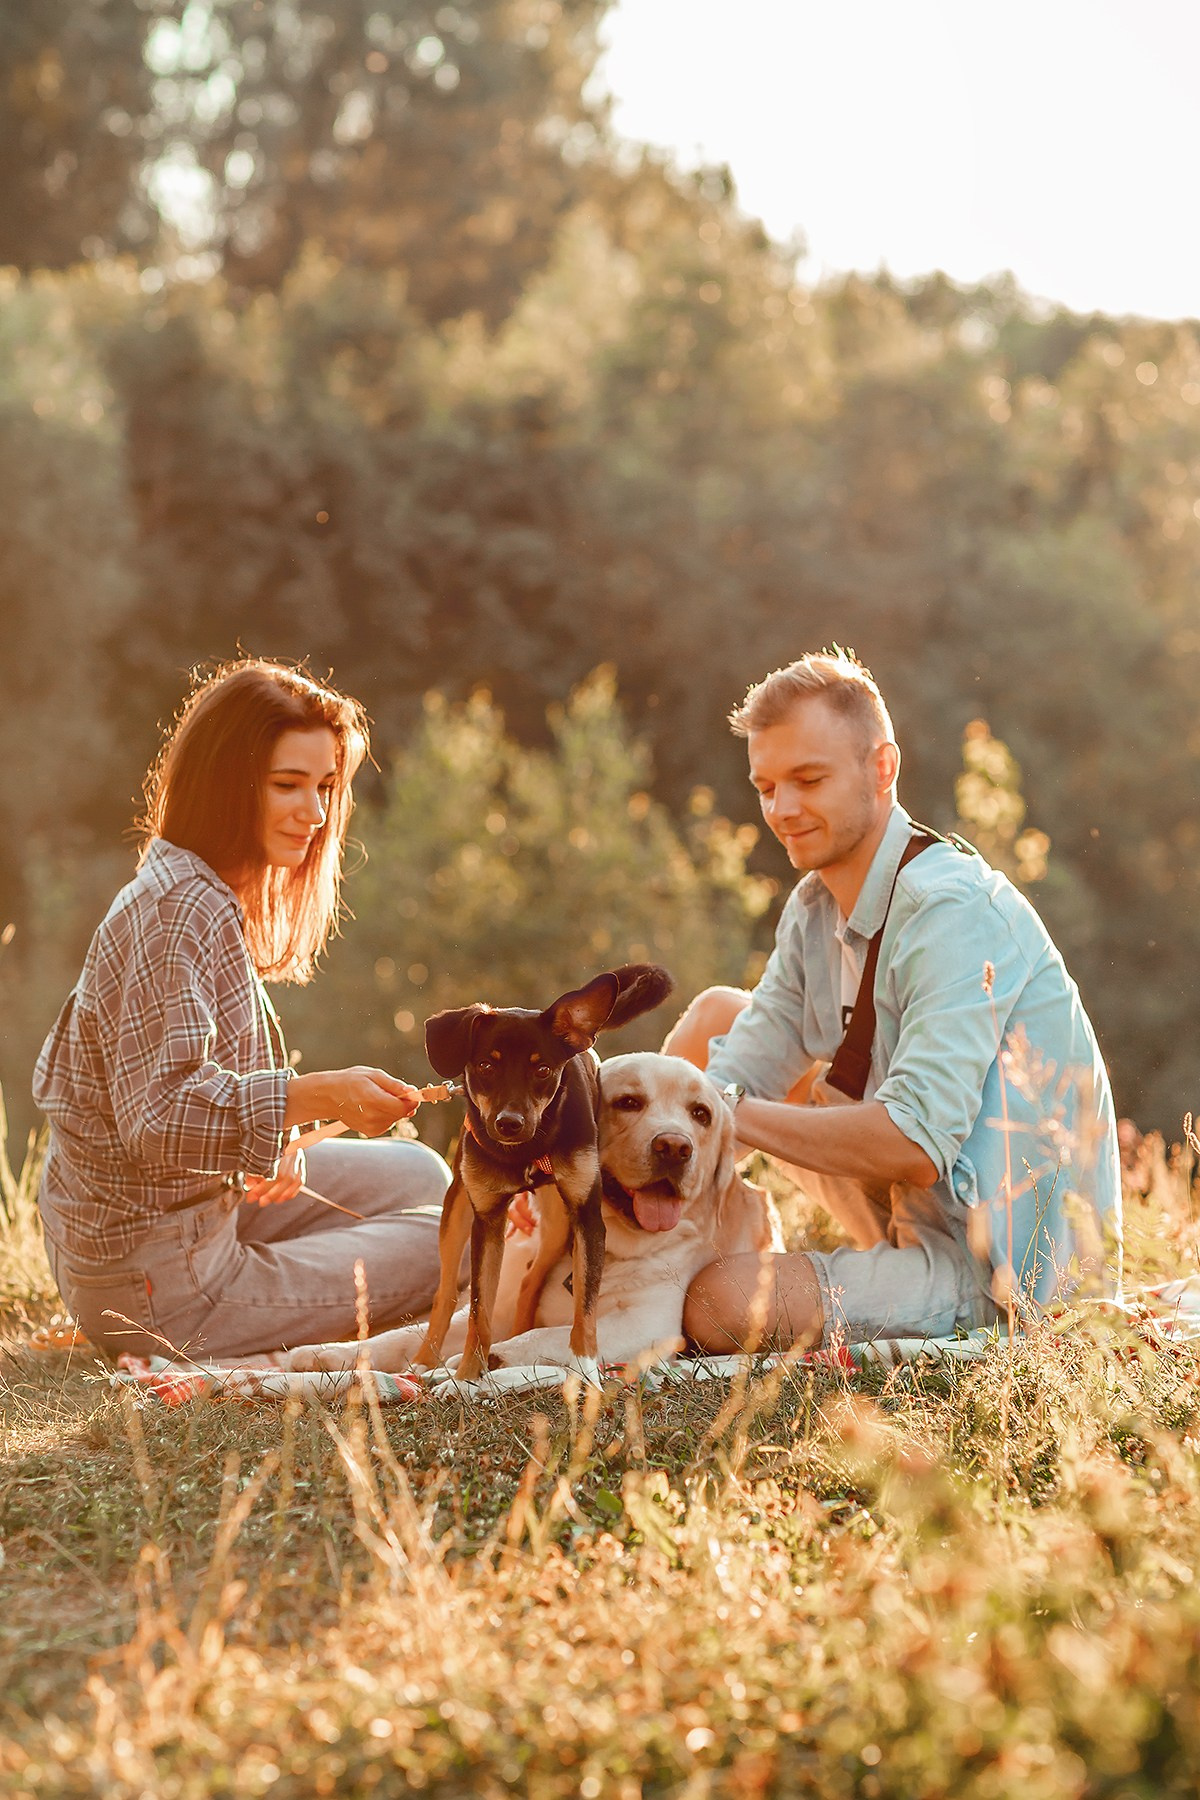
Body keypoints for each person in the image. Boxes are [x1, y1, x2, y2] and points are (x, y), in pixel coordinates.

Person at [668, 651, 1122, 1354]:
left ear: (882, 768)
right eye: (766, 786)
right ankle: (611, 1249)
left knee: (717, 1302)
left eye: (808, 780)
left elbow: (913, 1144)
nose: (782, 810)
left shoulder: (951, 909)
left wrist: (722, 1112)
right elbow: (744, 1059)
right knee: (713, 1023)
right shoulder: (814, 906)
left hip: (995, 1266)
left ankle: (660, 1276)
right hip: (902, 1209)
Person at [33, 659, 450, 1362]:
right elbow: (157, 1117)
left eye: (324, 787)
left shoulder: (204, 887)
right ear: (225, 784)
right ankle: (237, 1308)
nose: (315, 815)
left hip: (201, 1212)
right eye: (288, 785)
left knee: (426, 1177)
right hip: (152, 1279)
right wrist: (320, 1094)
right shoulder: (176, 909)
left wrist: (276, 1138)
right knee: (446, 1240)